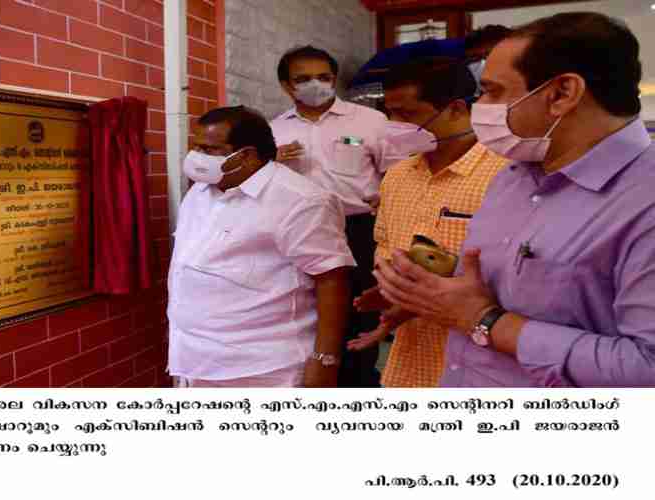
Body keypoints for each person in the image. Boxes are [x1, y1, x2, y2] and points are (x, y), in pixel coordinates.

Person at [374, 12, 655, 387]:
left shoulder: (643, 200)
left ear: (561, 94)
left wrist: (486, 321)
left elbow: (646, 367)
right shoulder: (513, 175)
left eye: (492, 91)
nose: (480, 108)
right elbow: (511, 286)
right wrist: (429, 291)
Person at [167, 106, 355, 388]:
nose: (196, 157)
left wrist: (325, 359)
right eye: (196, 147)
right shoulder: (200, 191)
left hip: (264, 368)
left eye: (209, 149)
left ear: (247, 155)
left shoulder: (301, 201)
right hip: (195, 358)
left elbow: (332, 279)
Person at [347, 57, 507, 387]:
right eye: (390, 113)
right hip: (411, 363)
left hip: (482, 363)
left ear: (457, 109)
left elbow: (518, 276)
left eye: (408, 114)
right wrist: (392, 291)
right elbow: (387, 245)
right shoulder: (397, 176)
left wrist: (423, 297)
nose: (395, 125)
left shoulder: (507, 175)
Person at [270, 45, 389, 387]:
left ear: (335, 79)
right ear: (286, 86)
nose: (316, 85)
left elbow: (396, 175)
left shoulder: (370, 121)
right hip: (297, 232)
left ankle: (358, 385)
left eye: (324, 77)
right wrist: (271, 161)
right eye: (303, 79)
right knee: (305, 312)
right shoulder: (273, 130)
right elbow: (264, 185)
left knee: (358, 314)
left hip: (358, 229)